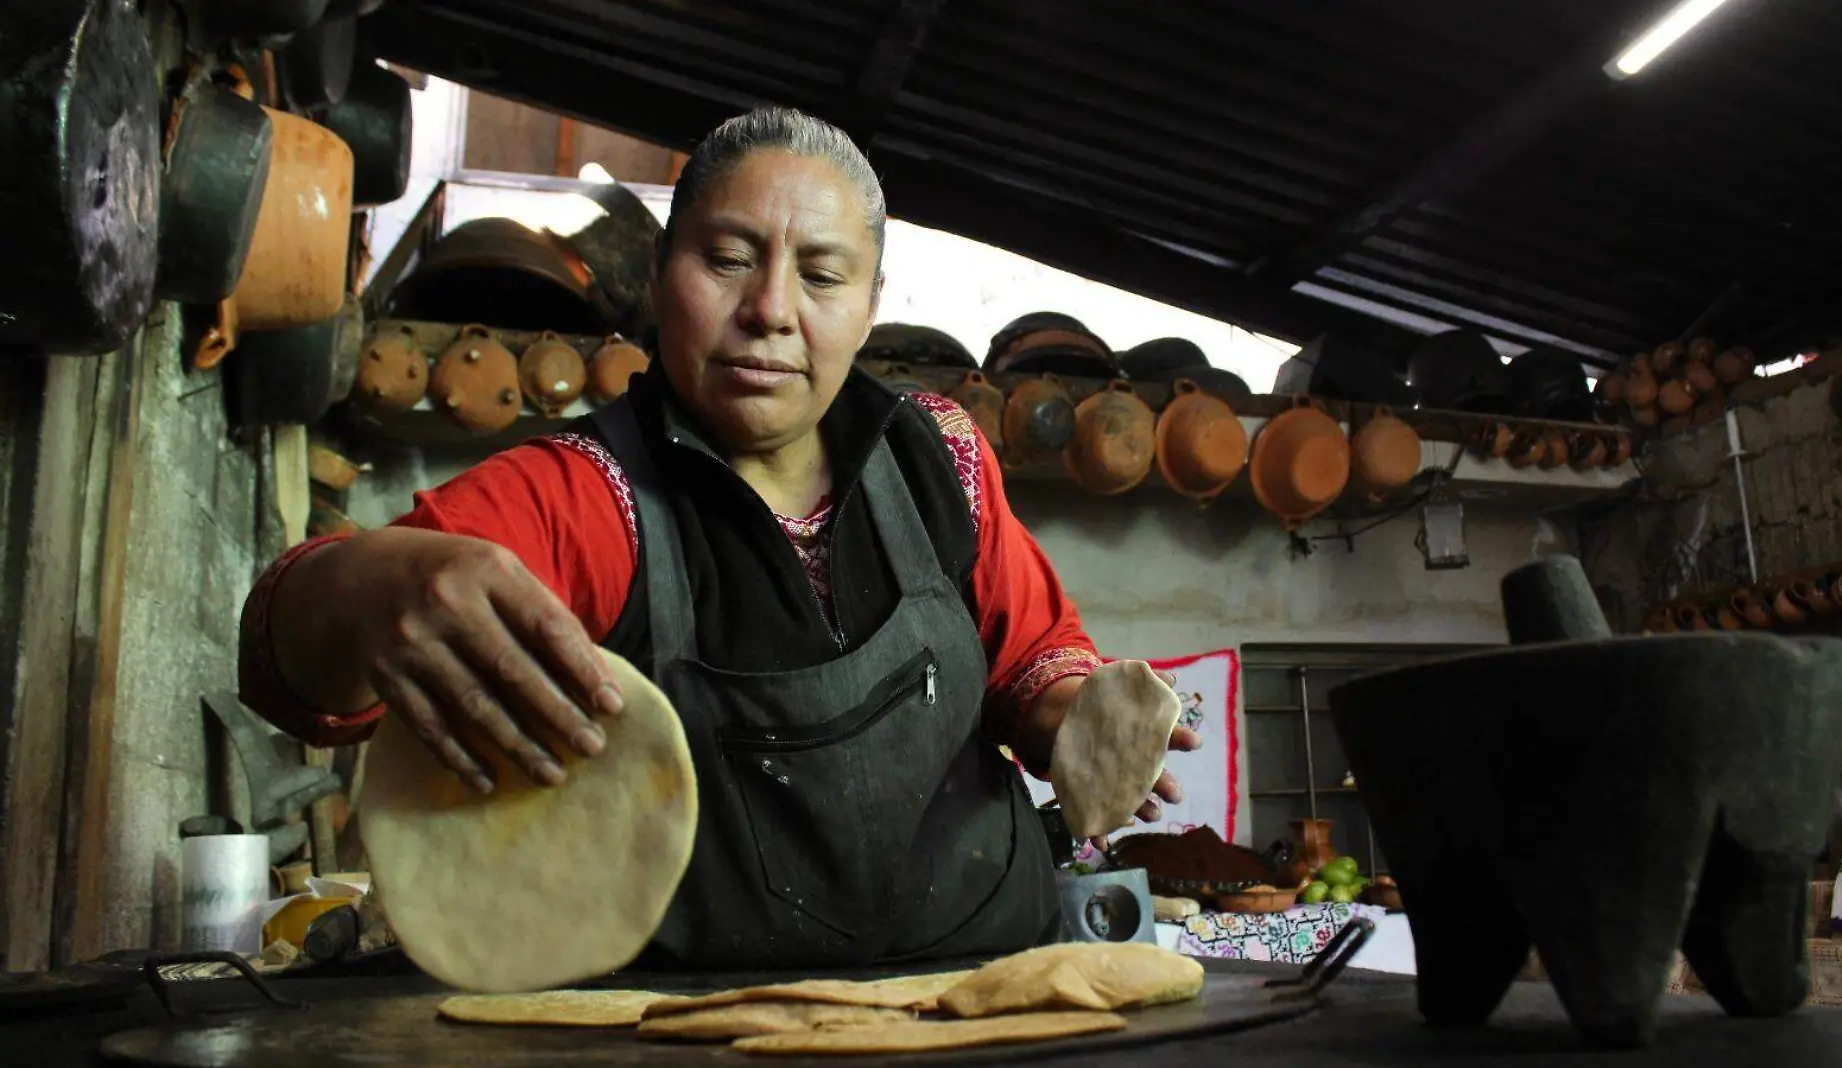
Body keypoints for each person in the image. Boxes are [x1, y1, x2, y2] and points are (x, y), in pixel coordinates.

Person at [237, 106, 1198, 969]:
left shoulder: (941, 457)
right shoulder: (589, 496)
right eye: (729, 259)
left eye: (822, 274)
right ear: (661, 277)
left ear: (869, 304)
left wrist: (1072, 719)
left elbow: (1029, 657)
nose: (771, 310)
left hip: (988, 988)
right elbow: (290, 667)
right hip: (694, 1028)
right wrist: (370, 592)